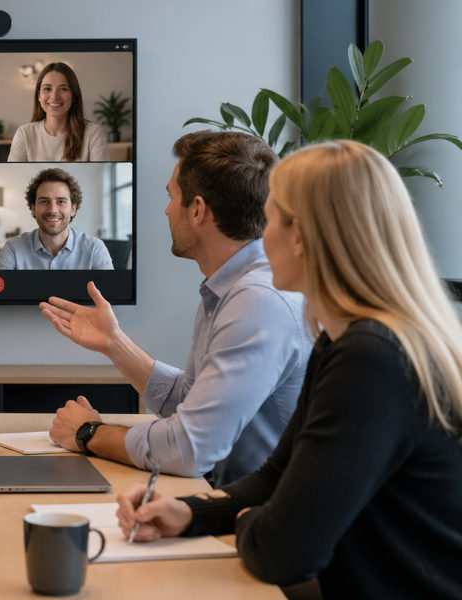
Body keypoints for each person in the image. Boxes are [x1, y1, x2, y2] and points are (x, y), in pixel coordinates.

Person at [116, 140, 462, 598]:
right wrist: (192, 512)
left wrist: (249, 520)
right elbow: (276, 476)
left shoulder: (372, 357)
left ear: (301, 236)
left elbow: (283, 551)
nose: (260, 237)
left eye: (271, 218)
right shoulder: (342, 338)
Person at [40, 131, 310, 488]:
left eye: (172, 197)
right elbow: (190, 401)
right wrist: (114, 342)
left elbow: (189, 448)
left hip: (255, 511)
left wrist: (88, 433)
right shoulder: (229, 289)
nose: (167, 210)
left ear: (197, 209)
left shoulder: (257, 301)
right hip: (226, 497)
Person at [0, 167, 113, 270]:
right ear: (33, 208)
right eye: (44, 201)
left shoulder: (95, 249)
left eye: (61, 201)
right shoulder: (13, 249)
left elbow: (108, 289)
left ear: (73, 209)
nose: (52, 210)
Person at [7, 62, 108, 162]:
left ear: (73, 96)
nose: (54, 96)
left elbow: (100, 172)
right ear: (39, 96)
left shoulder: (93, 133)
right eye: (47, 89)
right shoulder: (24, 134)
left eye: (63, 89)